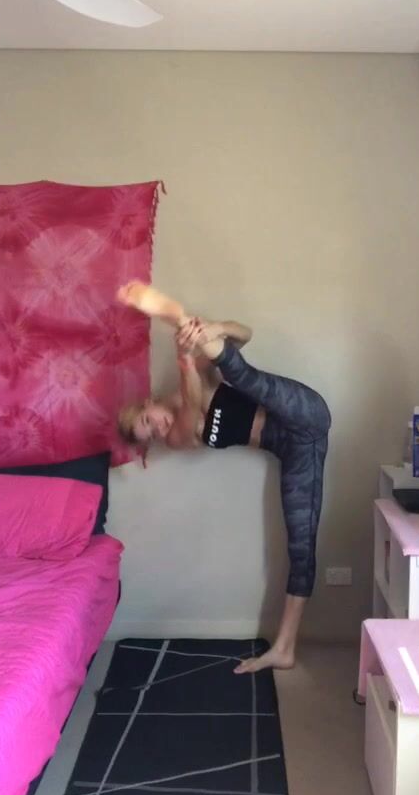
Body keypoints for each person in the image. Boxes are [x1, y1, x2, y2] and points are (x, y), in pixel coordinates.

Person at [117, 281, 331, 674]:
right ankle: (284, 649)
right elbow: (191, 407)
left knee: (241, 373)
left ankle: (182, 319)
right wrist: (185, 360)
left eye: (149, 420)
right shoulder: (179, 438)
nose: (159, 429)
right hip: (297, 448)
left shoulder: (195, 376)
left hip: (303, 410)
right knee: (302, 545)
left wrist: (215, 329)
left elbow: (245, 333)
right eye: (152, 435)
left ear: (149, 403)